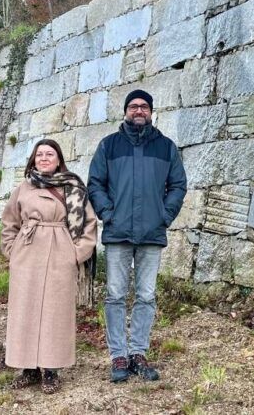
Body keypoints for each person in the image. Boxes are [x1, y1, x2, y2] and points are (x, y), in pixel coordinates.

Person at [88, 89, 186, 383]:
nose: (139, 110)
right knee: (115, 295)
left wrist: (164, 216)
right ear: (126, 111)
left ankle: (138, 353)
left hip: (151, 234)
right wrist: (107, 213)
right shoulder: (109, 146)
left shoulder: (166, 148)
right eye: (133, 106)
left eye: (144, 106)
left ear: (151, 111)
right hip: (118, 233)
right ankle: (118, 354)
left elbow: (178, 186)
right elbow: (95, 183)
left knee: (146, 296)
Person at [1, 139, 97, 394]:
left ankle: (51, 370)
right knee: (25, 310)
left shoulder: (72, 187)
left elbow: (89, 225)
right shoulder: (23, 188)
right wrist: (12, 251)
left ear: (58, 159)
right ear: (33, 159)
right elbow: (9, 222)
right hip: (27, 255)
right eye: (39, 154)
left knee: (56, 313)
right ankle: (27, 368)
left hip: (60, 253)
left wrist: (75, 255)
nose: (44, 158)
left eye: (49, 154)